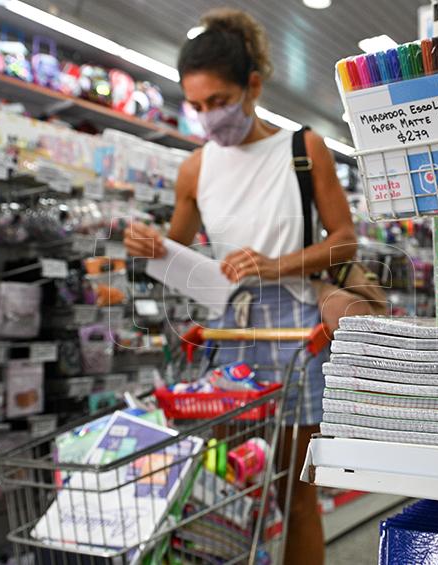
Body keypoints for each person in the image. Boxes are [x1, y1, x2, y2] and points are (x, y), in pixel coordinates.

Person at [123, 8, 356, 565]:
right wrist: (148, 248)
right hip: (228, 336)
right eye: (197, 106)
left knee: (295, 495)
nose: (209, 117)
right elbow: (177, 256)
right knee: (219, 487)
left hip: (296, 335)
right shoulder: (194, 169)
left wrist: (275, 265)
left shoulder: (304, 149)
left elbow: (346, 242)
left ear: (252, 85)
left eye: (219, 101)